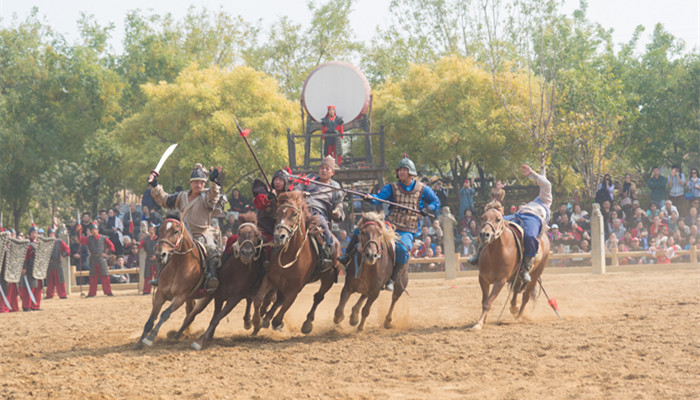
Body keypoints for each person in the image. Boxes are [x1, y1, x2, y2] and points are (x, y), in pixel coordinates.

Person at [341, 155, 440, 291]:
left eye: (404, 170)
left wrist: (427, 209)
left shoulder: (423, 189)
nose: (401, 172)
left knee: (402, 250)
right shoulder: (391, 187)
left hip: (408, 228)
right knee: (363, 230)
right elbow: (379, 198)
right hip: (390, 224)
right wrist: (370, 198)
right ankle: (347, 256)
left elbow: (436, 202)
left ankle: (392, 279)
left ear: (411, 172)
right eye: (399, 170)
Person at [147, 163, 223, 293]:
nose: (198, 185)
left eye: (201, 182)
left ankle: (211, 277)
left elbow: (214, 196)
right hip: (182, 233)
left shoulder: (207, 197)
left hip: (202, 233)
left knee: (212, 250)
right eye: (195, 182)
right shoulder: (181, 196)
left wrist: (213, 182)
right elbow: (164, 200)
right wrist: (155, 184)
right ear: (190, 183)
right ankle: (161, 276)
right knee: (164, 248)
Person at [469, 164, 551, 284]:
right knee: (492, 223)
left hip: (533, 219)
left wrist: (532, 174)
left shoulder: (546, 199)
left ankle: (526, 268)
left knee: (529, 236)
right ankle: (479, 252)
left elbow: (546, 184)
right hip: (518, 215)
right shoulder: (535, 201)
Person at [294, 156, 345, 269]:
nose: (324, 170)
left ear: (332, 172)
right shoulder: (309, 179)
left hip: (319, 214)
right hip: (302, 210)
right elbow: (297, 188)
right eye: (322, 168)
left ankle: (328, 252)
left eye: (327, 169)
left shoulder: (336, 187)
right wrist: (300, 194)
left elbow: (339, 207)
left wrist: (337, 213)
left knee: (320, 221)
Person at [80, 223, 115, 297]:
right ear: (91, 231)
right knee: (93, 277)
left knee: (105, 276)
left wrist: (107, 253)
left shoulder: (103, 238)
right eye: (92, 230)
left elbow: (111, 246)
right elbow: (81, 240)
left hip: (102, 259)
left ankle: (108, 292)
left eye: (95, 230)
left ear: (97, 230)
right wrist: (78, 231)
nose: (94, 231)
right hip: (93, 259)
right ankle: (92, 293)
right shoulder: (89, 239)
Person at [19, 226, 43, 311]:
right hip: (29, 268)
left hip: (37, 268)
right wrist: (24, 267)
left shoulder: (39, 243)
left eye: (36, 233)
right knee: (29, 288)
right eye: (33, 233)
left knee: (37, 288)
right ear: (30, 234)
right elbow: (25, 256)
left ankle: (35, 305)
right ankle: (26, 306)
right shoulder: (27, 244)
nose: (35, 234)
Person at [44, 228, 70, 300]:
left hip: (57, 263)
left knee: (60, 280)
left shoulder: (59, 242)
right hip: (50, 264)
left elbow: (67, 250)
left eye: (52, 234)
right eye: (50, 234)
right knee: (50, 281)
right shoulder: (46, 243)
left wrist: (63, 255)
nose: (51, 235)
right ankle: (49, 294)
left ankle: (62, 294)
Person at [139, 223, 159, 295]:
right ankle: (146, 290)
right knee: (148, 275)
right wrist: (136, 243)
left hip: (157, 259)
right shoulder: (145, 239)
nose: (151, 231)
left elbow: (161, 249)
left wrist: (156, 256)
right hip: (148, 259)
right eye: (150, 229)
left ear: (154, 230)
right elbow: (140, 246)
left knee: (159, 275)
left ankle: (160, 290)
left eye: (152, 229)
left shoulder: (158, 239)